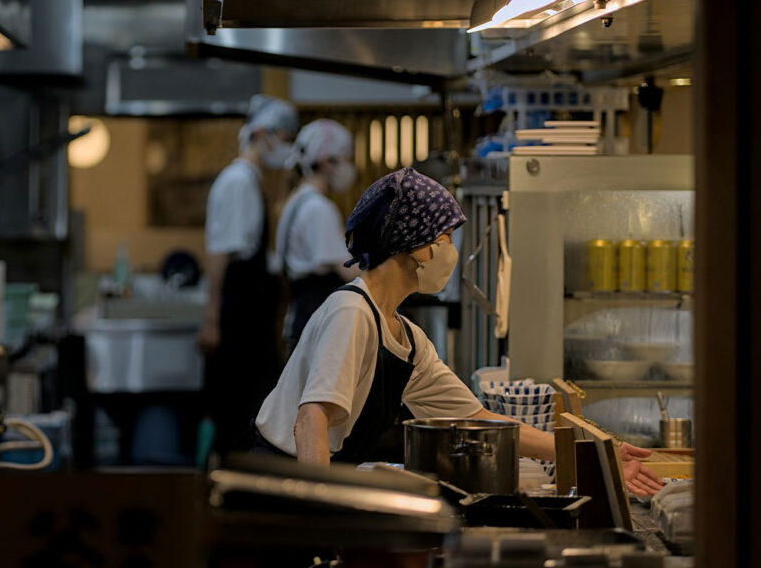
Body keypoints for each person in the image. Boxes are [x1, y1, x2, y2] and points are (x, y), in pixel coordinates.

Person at [253, 167, 664, 497]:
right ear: (416, 246)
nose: (450, 252)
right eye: (446, 238)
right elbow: (311, 421)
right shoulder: (351, 312)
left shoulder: (406, 339)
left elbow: (481, 419)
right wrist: (316, 518)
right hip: (282, 493)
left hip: (314, 488)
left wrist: (594, 452)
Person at [198, 94, 299, 455]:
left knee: (250, 411)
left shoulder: (253, 180)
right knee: (238, 414)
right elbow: (219, 253)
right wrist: (212, 319)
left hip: (251, 317)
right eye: (285, 137)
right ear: (262, 133)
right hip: (238, 318)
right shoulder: (238, 181)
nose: (287, 147)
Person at [277, 118, 360, 358]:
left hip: (304, 320)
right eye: (347, 159)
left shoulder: (298, 199)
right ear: (327, 161)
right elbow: (348, 271)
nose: (350, 167)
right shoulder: (317, 208)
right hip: (313, 324)